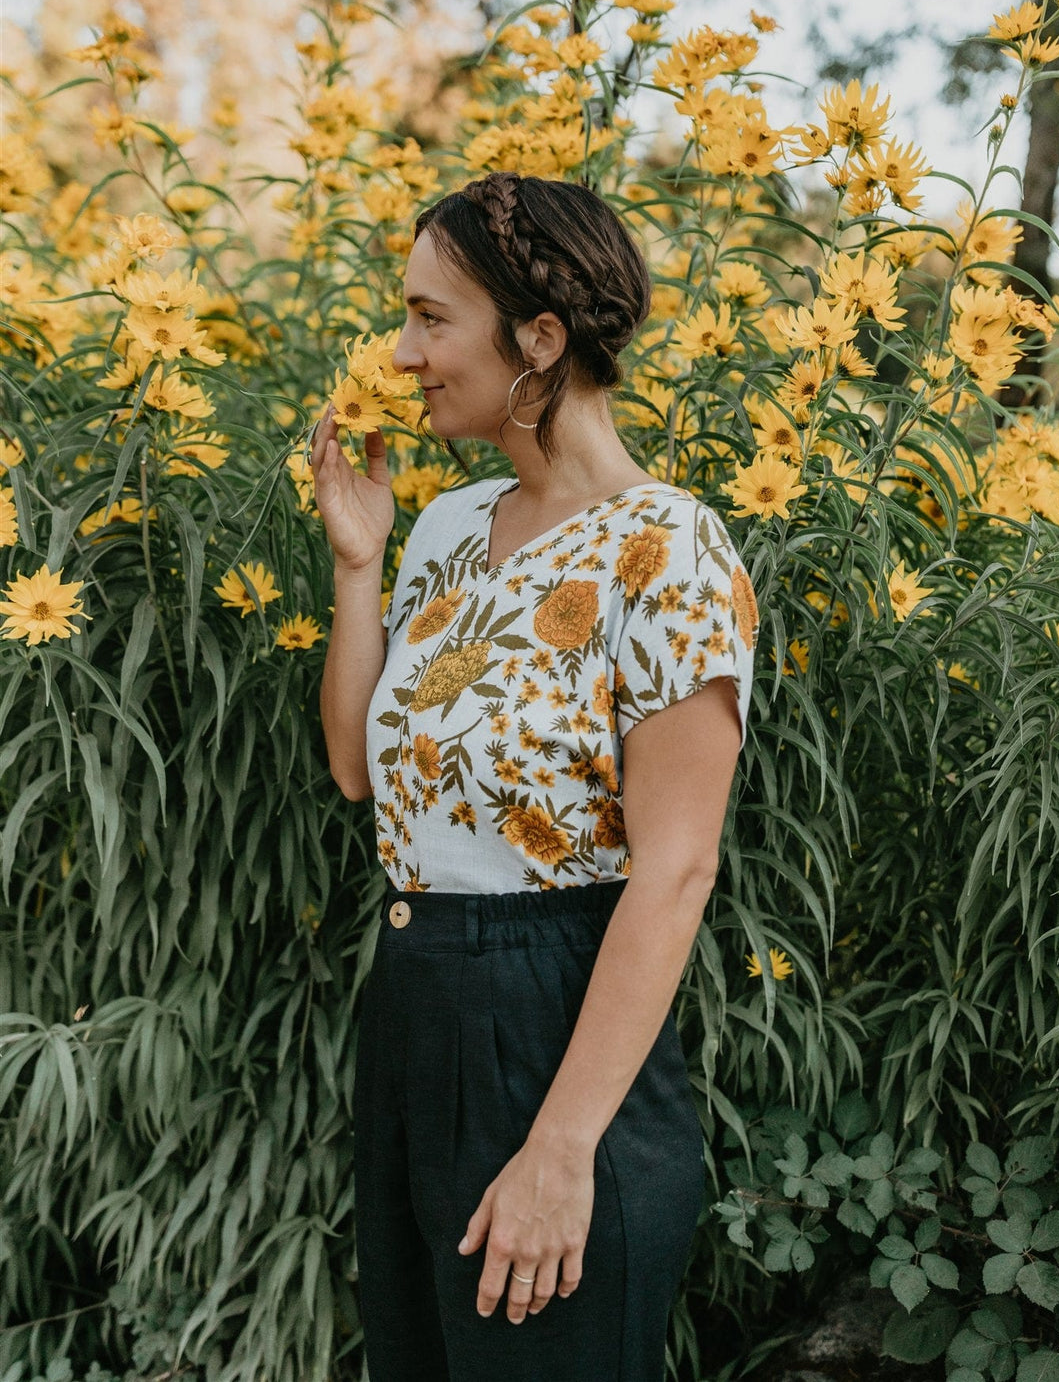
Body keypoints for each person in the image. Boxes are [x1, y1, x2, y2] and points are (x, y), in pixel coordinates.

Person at [313, 171, 757, 1382]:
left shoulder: (669, 548)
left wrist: (562, 1150)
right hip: (415, 1009)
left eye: (430, 317)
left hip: (560, 1026)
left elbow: (675, 872)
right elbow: (359, 772)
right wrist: (362, 563)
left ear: (540, 341)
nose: (402, 353)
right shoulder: (451, 524)